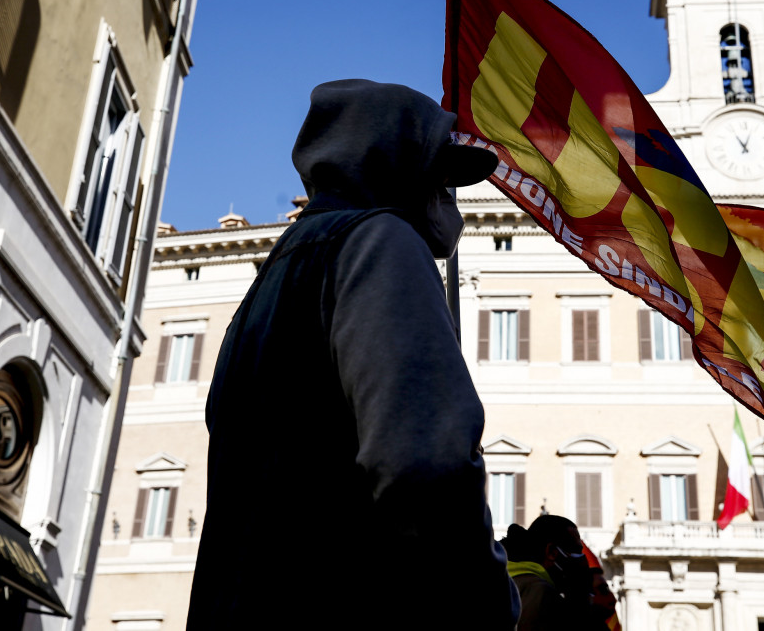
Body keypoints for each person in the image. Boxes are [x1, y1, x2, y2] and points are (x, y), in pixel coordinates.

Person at [186, 79, 519, 630]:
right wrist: (489, 606)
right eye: (442, 173)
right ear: (395, 159)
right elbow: (425, 467)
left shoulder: (263, 289)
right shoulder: (381, 241)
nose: (449, 195)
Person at [500, 515, 593, 631]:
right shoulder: (542, 593)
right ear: (551, 552)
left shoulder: (504, 581)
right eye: (576, 551)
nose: (582, 559)